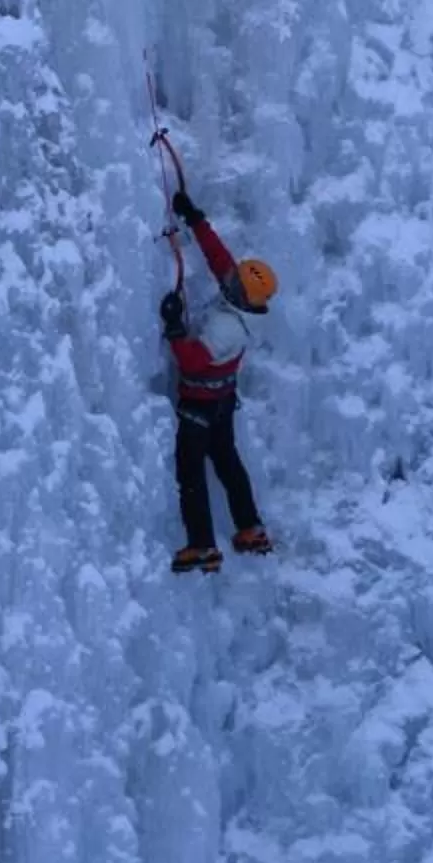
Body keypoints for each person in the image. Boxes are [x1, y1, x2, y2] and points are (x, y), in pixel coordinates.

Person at [159, 181, 278, 573]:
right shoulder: (243, 302)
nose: (226, 280)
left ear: (243, 296)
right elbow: (219, 258)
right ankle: (249, 528)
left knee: (190, 472)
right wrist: (196, 219)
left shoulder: (229, 327)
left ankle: (202, 546)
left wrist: (175, 329)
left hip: (201, 406)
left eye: (234, 283)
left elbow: (193, 362)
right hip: (222, 404)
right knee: (227, 463)